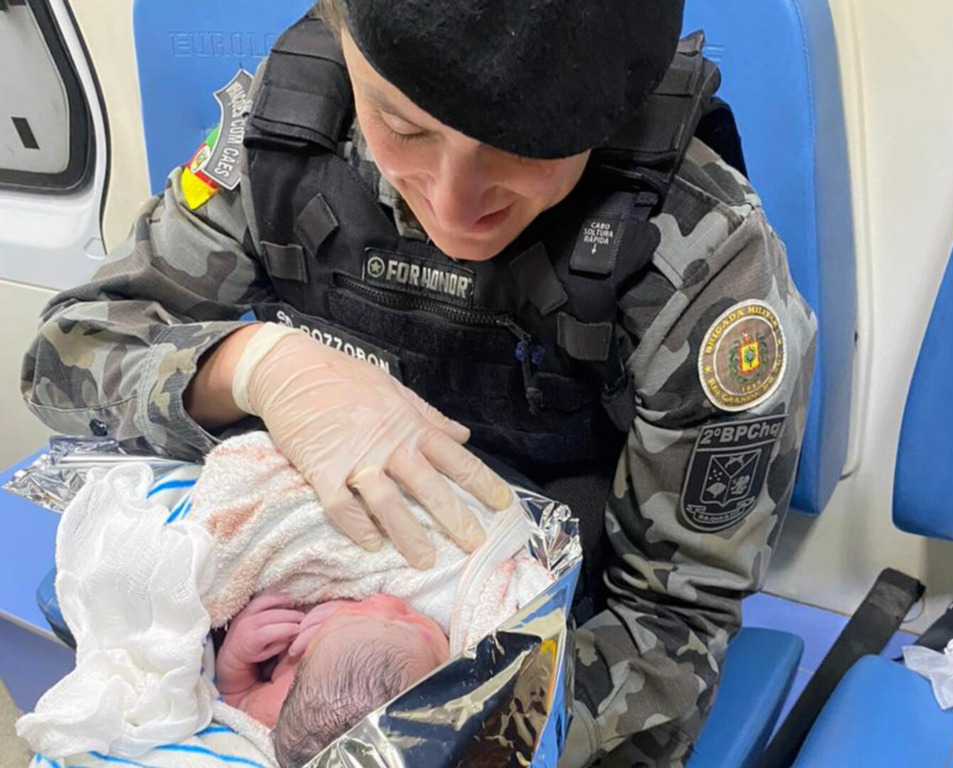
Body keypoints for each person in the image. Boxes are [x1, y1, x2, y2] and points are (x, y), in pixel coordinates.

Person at [21, 0, 817, 764]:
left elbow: (672, 626)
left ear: (610, 112)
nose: (452, 202)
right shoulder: (283, 136)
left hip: (532, 653)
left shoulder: (701, 262)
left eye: (524, 148)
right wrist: (255, 367)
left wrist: (444, 730)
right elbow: (71, 355)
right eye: (402, 129)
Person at [214, 593, 449, 768]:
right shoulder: (444, 657)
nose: (388, 600)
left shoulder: (275, 705)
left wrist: (234, 656)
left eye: (406, 622)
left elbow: (237, 696)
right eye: (356, 615)